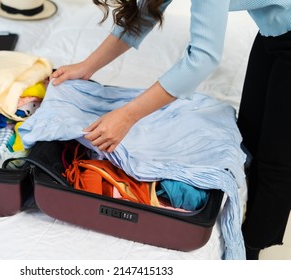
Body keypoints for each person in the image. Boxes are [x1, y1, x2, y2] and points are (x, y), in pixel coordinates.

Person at [51, 0, 291, 260]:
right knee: (250, 137)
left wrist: (127, 116)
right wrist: (88, 66)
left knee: (277, 159)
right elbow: (142, 14)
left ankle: (251, 250)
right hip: (275, 29)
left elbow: (202, 59)